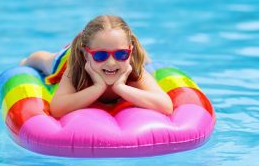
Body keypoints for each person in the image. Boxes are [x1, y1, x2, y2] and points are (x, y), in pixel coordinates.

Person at [20, 15, 173, 117]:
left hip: (106, 48)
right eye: (101, 55)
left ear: (129, 52)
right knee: (47, 62)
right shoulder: (75, 68)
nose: (111, 62)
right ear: (87, 54)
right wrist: (97, 88)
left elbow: (165, 106)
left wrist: (121, 87)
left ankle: (130, 52)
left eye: (121, 54)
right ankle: (29, 59)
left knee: (143, 59)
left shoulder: (132, 69)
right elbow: (58, 108)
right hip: (70, 56)